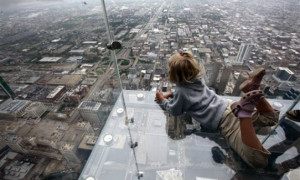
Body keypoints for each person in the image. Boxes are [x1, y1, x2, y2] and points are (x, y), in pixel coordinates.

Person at [155, 51, 279, 168]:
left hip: (225, 122)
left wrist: (162, 100)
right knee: (270, 120)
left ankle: (244, 113)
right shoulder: (198, 80)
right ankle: (252, 88)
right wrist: (174, 95)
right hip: (229, 106)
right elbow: (191, 95)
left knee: (258, 161)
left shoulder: (181, 92)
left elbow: (174, 110)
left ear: (173, 74)